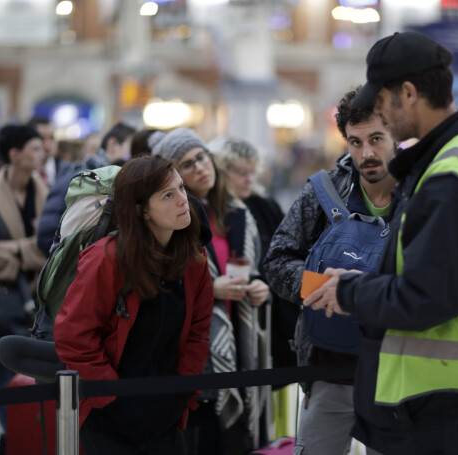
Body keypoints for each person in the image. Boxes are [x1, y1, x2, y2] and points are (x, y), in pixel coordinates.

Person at [303, 31, 458, 455]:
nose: (380, 115)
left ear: (409, 93)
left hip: (449, 403)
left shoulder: (451, 178)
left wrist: (350, 290)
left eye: (381, 104)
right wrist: (369, 278)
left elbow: (429, 297)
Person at [263, 87, 397, 455]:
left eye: (376, 139)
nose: (366, 153)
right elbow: (276, 260)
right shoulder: (323, 191)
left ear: (396, 136)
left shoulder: (423, 194)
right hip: (328, 370)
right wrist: (321, 288)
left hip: (398, 372)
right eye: (355, 142)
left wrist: (364, 290)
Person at [53, 155, 214, 455]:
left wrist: (182, 390)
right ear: (142, 211)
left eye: (181, 188)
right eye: (168, 194)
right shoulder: (106, 259)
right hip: (109, 419)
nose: (183, 200)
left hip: (166, 413)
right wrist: (111, 395)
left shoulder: (194, 260)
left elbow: (198, 331)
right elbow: (73, 336)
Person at [152, 128, 270, 454]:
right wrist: (211, 289)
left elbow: (253, 266)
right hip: (196, 344)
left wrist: (260, 285)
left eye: (202, 157)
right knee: (203, 435)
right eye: (187, 165)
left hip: (238, 332)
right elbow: (160, 283)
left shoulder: (238, 211)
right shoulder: (174, 218)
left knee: (234, 437)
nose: (200, 168)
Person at [0, 123, 48, 453]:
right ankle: (16, 438)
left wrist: (15, 249)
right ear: (14, 155)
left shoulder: (43, 190)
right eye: (35, 148)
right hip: (0, 300)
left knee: (34, 377)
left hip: (39, 300)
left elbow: (51, 245)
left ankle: (25, 439)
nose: (43, 154)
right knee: (1, 377)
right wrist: (27, 253)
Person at [210, 137, 299, 373]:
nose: (249, 179)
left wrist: (264, 284)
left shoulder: (264, 205)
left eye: (252, 172)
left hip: (270, 319)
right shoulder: (211, 210)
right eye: (241, 172)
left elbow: (286, 255)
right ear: (222, 171)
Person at [36, 121, 136, 256]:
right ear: (113, 145)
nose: (137, 159)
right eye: (134, 150)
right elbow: (47, 236)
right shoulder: (82, 180)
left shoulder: (116, 183)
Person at [27, 115, 70, 186]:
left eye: (52, 138)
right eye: (41, 138)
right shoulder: (22, 172)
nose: (47, 146)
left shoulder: (68, 171)